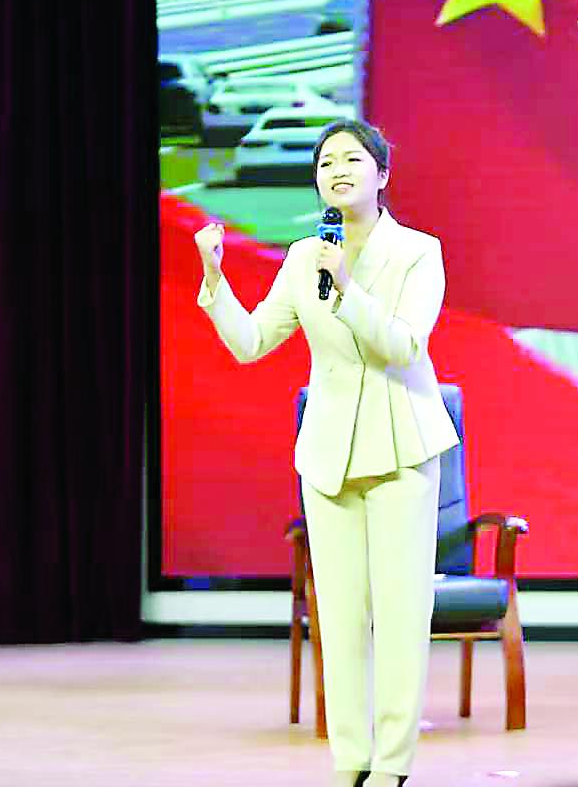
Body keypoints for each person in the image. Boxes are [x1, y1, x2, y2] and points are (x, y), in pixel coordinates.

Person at [193, 119, 459, 787]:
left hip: (401, 451)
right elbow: (251, 342)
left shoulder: (418, 253)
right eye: (326, 163)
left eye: (352, 159)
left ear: (383, 175)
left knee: (400, 617)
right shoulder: (301, 257)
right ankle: (350, 761)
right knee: (338, 619)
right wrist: (215, 279)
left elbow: (402, 346)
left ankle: (392, 766)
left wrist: (346, 287)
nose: (337, 170)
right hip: (328, 455)